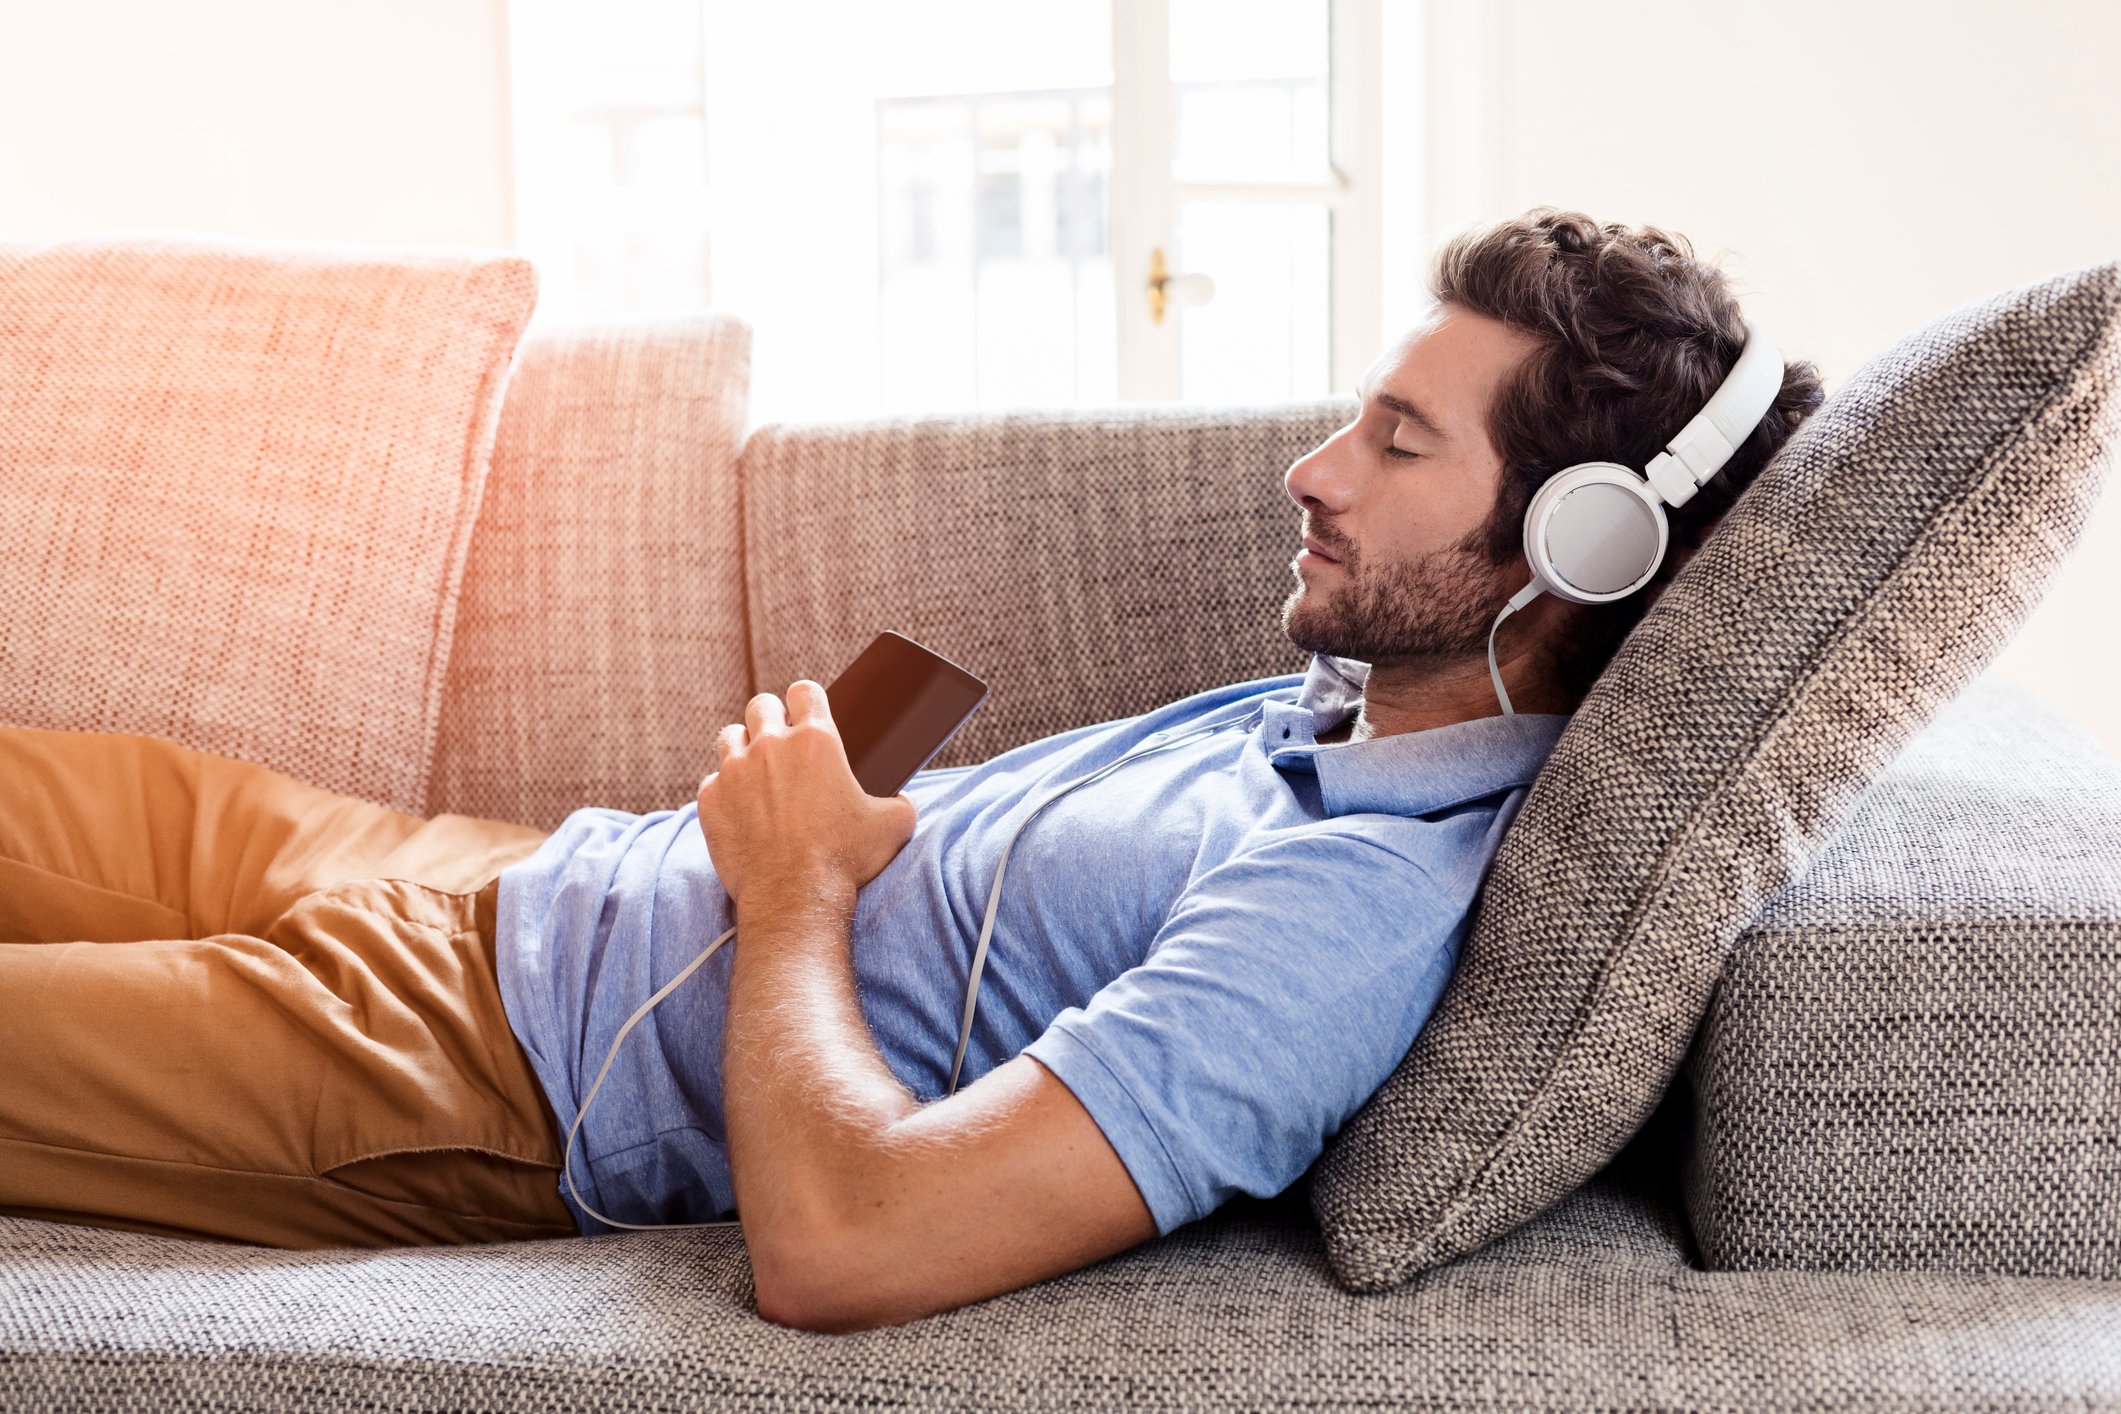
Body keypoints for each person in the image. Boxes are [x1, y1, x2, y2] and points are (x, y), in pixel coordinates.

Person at [0, 209, 1823, 1331]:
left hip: (477, 1067)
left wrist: (794, 879)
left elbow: (847, 1245)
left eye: (1397, 442)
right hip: (491, 867)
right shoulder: (1339, 713)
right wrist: (811, 815)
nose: (1313, 468)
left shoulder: (1346, 922)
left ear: (1564, 551)